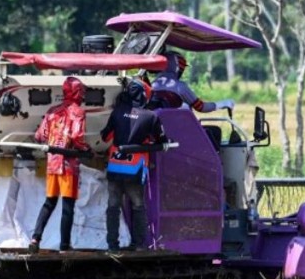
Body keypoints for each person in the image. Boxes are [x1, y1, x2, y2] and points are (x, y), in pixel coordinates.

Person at [101, 79, 166, 252]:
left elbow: (105, 137)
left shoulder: (117, 112)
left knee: (113, 205)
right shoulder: (151, 116)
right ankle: (138, 244)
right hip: (135, 168)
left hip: (115, 166)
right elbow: (162, 141)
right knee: (138, 205)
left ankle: (112, 245)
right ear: (144, 95)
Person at [27, 76, 89, 254]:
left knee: (49, 202)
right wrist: (86, 149)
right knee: (68, 206)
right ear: (77, 92)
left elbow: (40, 136)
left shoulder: (52, 111)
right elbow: (77, 137)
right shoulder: (78, 112)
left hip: (52, 163)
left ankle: (35, 239)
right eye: (81, 92)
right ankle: (64, 245)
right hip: (68, 165)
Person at [146, 51, 234, 113]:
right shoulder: (180, 87)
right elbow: (201, 107)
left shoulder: (152, 85)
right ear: (177, 68)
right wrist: (221, 104)